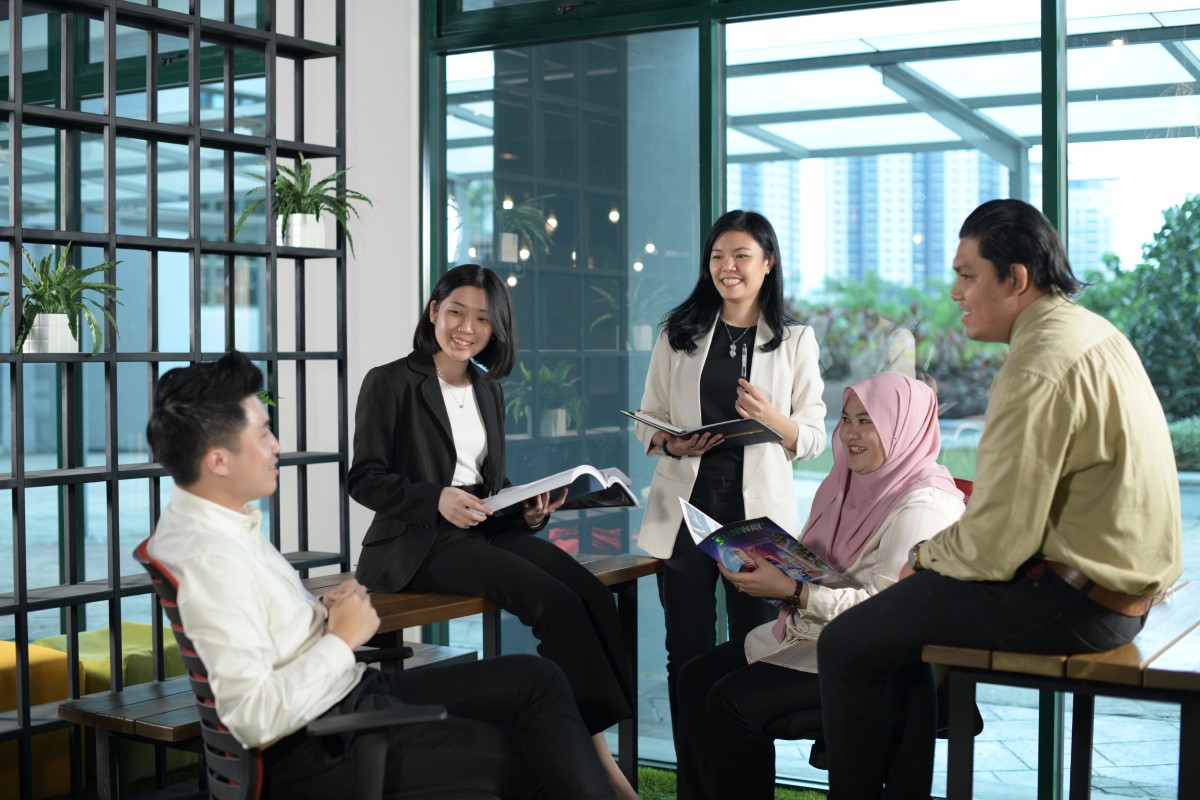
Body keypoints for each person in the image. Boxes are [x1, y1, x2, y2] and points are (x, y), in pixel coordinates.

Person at [818, 199, 1184, 799]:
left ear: (1016, 278)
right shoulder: (1090, 331)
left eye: (968, 275)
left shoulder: (1037, 362)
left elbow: (995, 543)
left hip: (1083, 603)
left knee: (846, 642)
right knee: (895, 626)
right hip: (1125, 590)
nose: (956, 292)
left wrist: (924, 556)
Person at [143, 351, 616, 799]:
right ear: (218, 460)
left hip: (347, 696)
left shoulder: (222, 521)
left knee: (536, 679)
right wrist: (341, 639)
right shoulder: (211, 558)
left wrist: (320, 616)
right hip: (321, 746)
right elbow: (251, 716)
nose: (276, 445)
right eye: (262, 433)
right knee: (522, 755)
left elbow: (259, 633)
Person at [349, 264, 638, 799]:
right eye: (455, 311)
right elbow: (365, 478)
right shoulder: (390, 381)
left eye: (483, 317)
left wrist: (527, 512)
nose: (466, 326)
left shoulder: (487, 390)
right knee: (555, 604)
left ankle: (599, 749)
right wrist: (435, 498)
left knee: (593, 595)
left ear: (497, 327)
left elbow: (489, 483)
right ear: (433, 311)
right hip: (419, 541)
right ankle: (601, 766)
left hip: (484, 531)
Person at [674, 372, 965, 800]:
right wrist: (768, 569)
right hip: (813, 631)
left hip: (871, 657)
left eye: (868, 421)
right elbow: (817, 565)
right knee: (693, 680)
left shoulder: (925, 505)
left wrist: (794, 591)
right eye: (846, 419)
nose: (851, 434)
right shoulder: (845, 485)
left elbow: (889, 613)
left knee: (730, 701)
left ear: (903, 426)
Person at [633, 210, 827, 755]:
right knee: (687, 649)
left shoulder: (794, 339)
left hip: (756, 517)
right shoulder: (680, 332)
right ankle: (695, 776)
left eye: (742, 255)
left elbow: (812, 435)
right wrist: (673, 442)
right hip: (686, 509)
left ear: (768, 264)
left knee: (754, 646)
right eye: (718, 256)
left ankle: (743, 776)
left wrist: (774, 419)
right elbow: (651, 417)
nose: (728, 267)